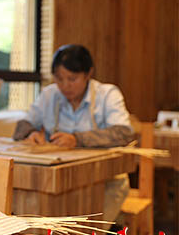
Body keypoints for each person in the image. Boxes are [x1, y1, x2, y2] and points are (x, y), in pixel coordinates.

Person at [13, 44, 135, 221]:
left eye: (72, 79)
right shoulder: (50, 94)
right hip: (58, 182)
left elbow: (123, 134)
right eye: (59, 78)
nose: (65, 86)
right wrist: (30, 133)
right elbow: (22, 125)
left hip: (103, 180)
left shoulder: (107, 94)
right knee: (39, 220)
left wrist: (77, 139)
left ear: (88, 74)